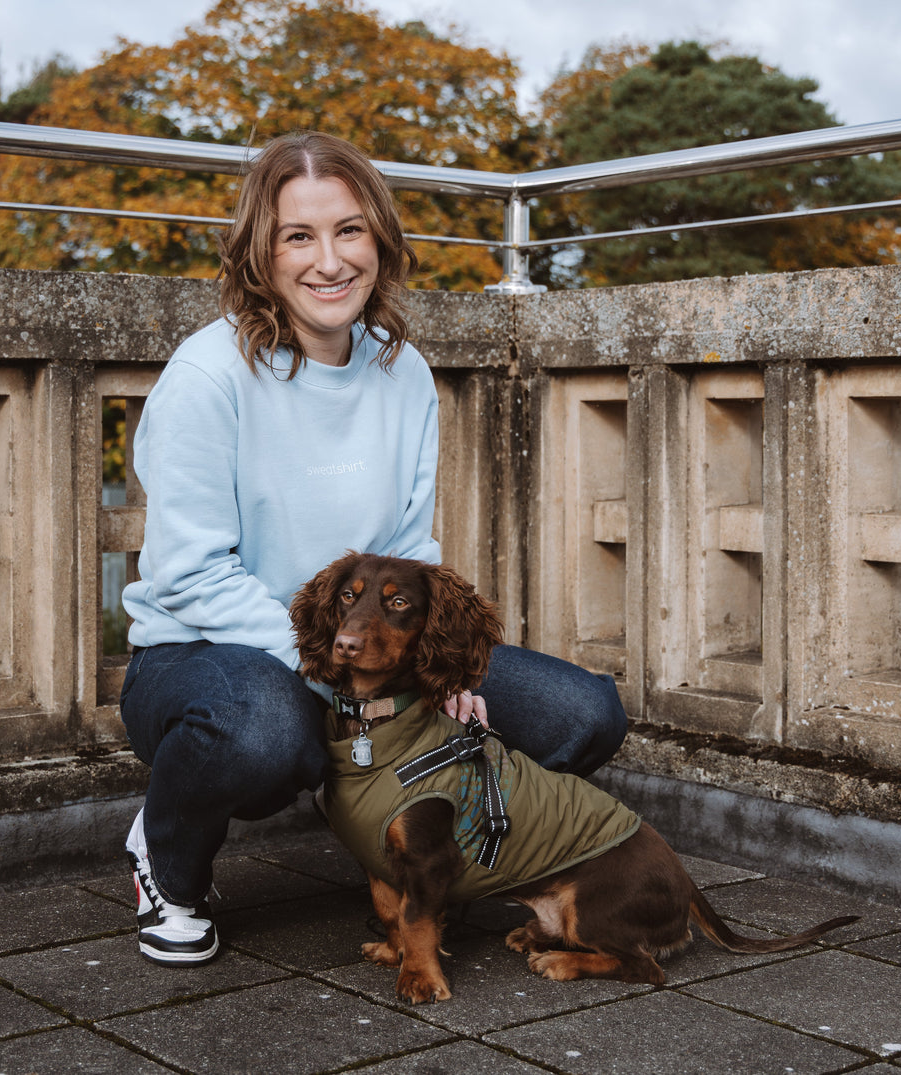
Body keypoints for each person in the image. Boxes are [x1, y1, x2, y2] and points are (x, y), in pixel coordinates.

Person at [118, 131, 626, 966]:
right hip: (207, 657)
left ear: (380, 242)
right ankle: (165, 863)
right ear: (260, 252)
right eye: (298, 236)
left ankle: (406, 837)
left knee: (584, 715)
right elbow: (190, 573)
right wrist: (332, 666)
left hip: (368, 656)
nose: (328, 260)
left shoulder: (403, 372)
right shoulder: (207, 376)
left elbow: (404, 554)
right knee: (261, 730)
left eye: (349, 231)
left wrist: (441, 668)